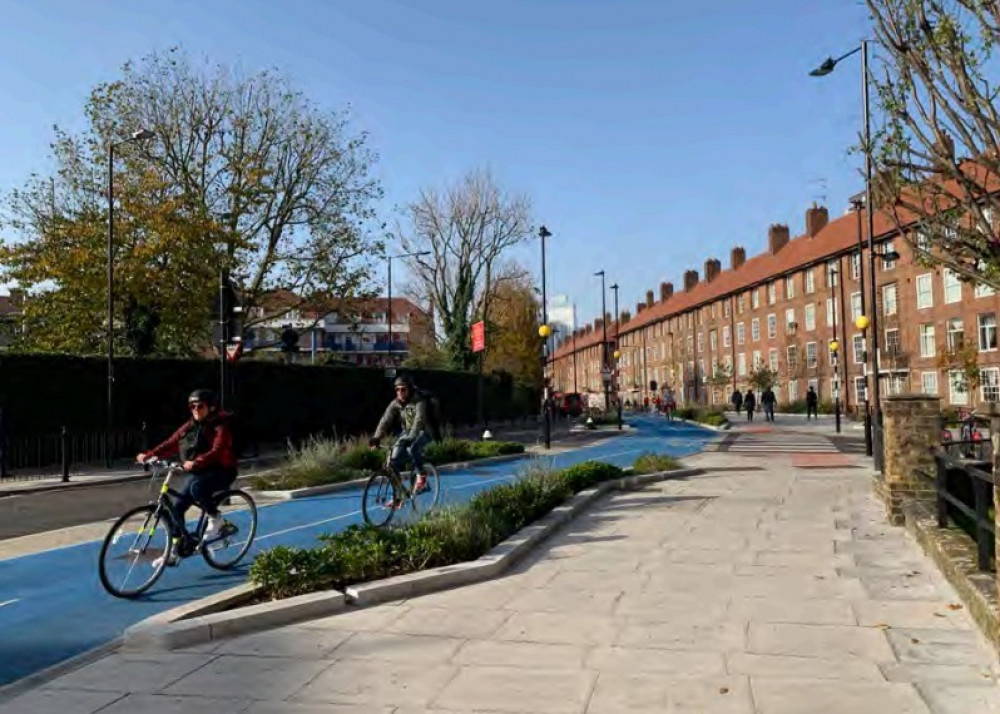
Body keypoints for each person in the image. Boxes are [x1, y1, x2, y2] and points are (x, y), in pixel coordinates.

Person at [137, 389, 237, 565]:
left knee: (196, 488)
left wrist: (197, 462)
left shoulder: (220, 426)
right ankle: (173, 553)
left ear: (211, 407)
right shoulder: (190, 425)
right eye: (192, 406)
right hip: (200, 470)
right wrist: (149, 455)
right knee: (176, 508)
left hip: (222, 469)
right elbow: (172, 442)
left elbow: (218, 450)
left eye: (200, 406)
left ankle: (215, 517)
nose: (196, 410)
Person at [369, 375, 431, 503]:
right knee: (392, 463)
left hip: (424, 431)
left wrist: (411, 437)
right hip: (407, 432)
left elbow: (419, 421)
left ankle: (422, 477)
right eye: (397, 390)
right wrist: (376, 438)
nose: (400, 393)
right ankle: (399, 496)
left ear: (410, 390)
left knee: (412, 448)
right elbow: (385, 420)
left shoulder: (419, 401)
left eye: (403, 389)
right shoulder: (396, 403)